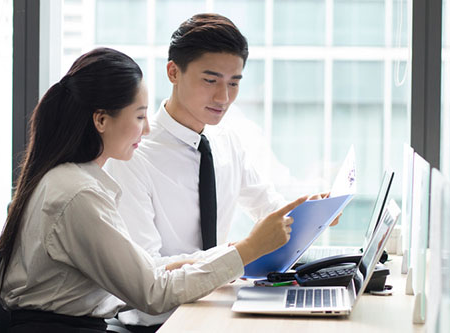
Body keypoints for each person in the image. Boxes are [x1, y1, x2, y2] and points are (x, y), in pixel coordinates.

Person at [0, 47, 306, 332]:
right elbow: (153, 294)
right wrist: (247, 251)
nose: (148, 127)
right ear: (101, 120)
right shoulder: (77, 193)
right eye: (139, 116)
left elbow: (142, 268)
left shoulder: (72, 180)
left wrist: (228, 254)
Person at [103, 13, 338, 331]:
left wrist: (314, 213)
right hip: (159, 321)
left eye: (234, 83)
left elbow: (269, 211)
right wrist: (239, 254)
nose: (223, 98)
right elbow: (147, 273)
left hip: (217, 307)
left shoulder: (227, 138)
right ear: (173, 72)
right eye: (210, 80)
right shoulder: (133, 153)